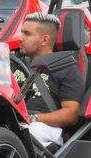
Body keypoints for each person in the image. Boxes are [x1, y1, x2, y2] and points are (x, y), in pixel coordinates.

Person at [16, 12, 85, 148]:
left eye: (27, 34)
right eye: (21, 32)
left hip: (42, 127)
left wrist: (33, 118)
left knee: (13, 134)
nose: (20, 38)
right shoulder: (15, 62)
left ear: (44, 40)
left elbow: (71, 114)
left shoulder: (66, 69)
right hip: (11, 119)